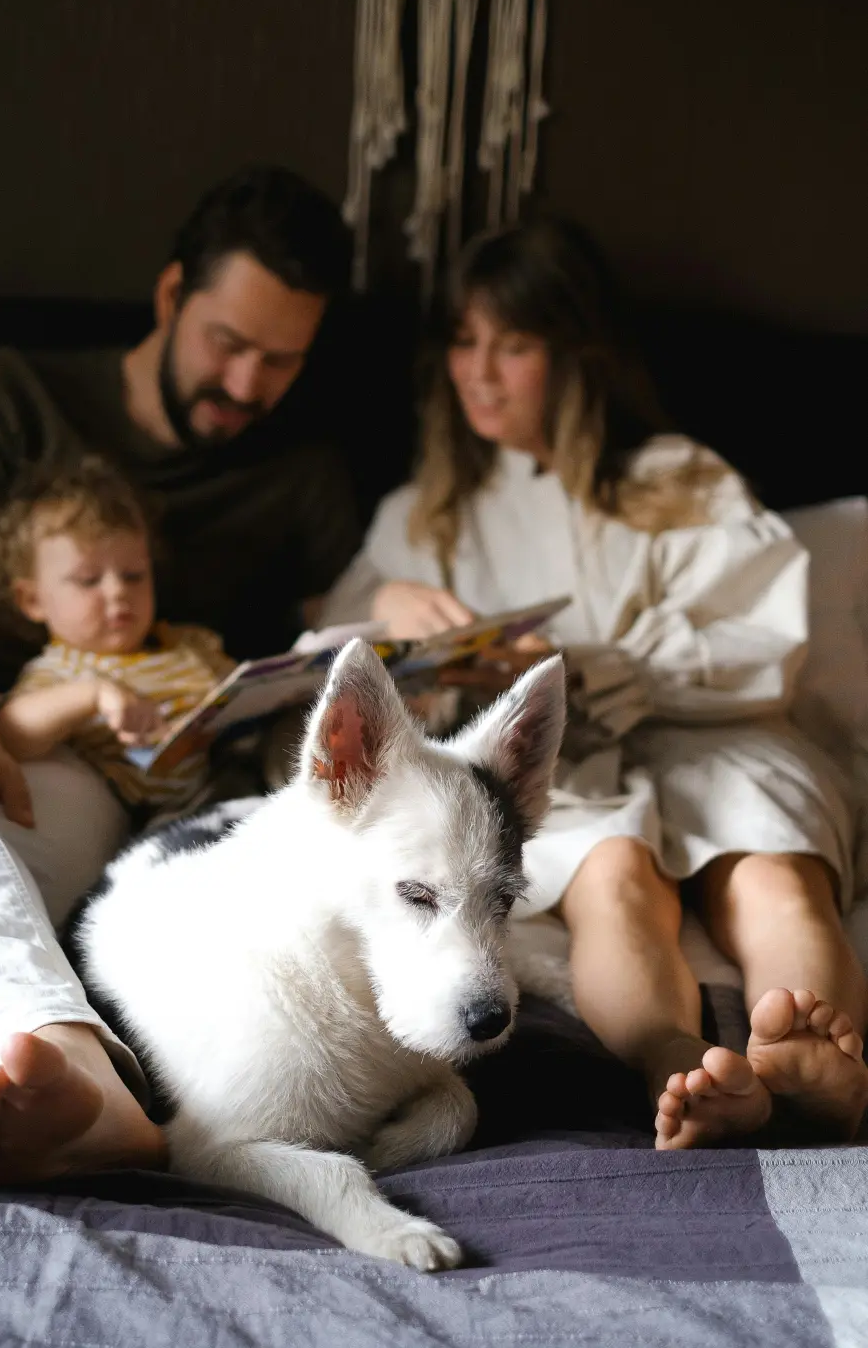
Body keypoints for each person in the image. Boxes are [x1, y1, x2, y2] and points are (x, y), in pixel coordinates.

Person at [321, 217, 868, 1149]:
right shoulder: (422, 516)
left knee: (771, 866)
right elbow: (329, 682)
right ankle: (679, 1064)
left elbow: (763, 643)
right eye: (463, 342)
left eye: (515, 345)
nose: (480, 372)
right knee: (611, 877)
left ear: (576, 355)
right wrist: (393, 616)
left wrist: (602, 664)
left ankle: (820, 1061)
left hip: (716, 735)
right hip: (559, 767)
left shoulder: (675, 477)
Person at [0, 165, 360, 1172]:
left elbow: (343, 657)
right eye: (228, 344)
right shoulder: (16, 391)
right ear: (173, 295)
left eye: (282, 361)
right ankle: (67, 1059)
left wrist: (393, 622)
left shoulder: (305, 472)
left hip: (95, 775)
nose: (245, 385)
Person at [0, 455, 237, 814]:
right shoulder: (62, 671)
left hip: (233, 777)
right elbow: (11, 734)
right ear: (32, 599)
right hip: (154, 814)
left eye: (134, 575)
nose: (118, 592)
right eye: (88, 580)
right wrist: (93, 694)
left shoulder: (188, 643)